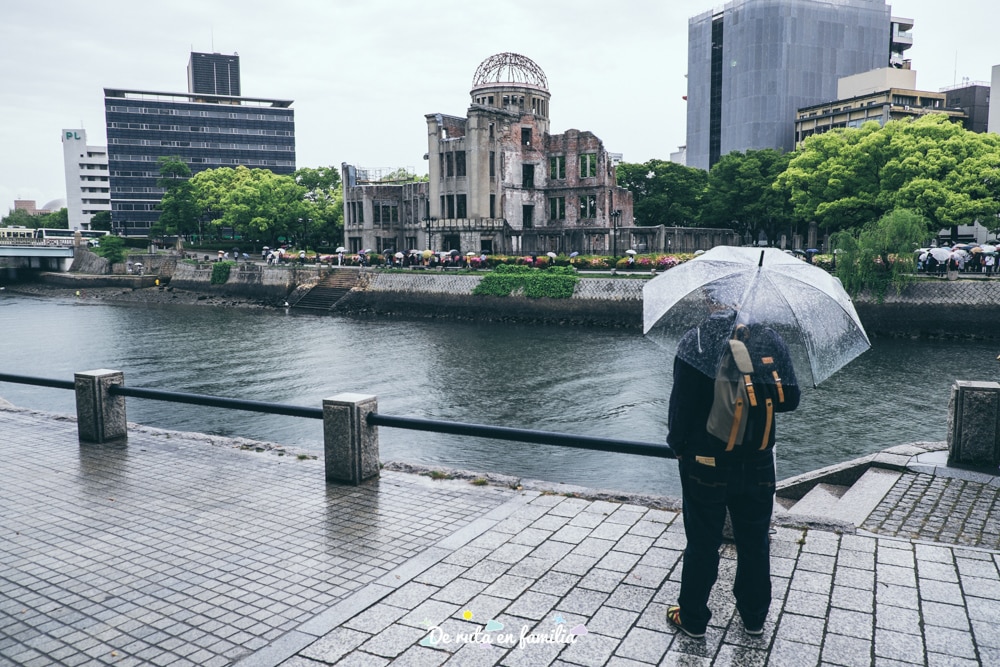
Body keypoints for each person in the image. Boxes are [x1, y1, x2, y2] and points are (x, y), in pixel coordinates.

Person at [665, 310, 800, 639]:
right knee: (754, 542)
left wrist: (679, 446)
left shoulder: (696, 340)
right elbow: (790, 399)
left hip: (704, 460)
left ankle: (693, 617)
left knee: (702, 542)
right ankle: (754, 618)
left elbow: (681, 407)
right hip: (758, 461)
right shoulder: (769, 339)